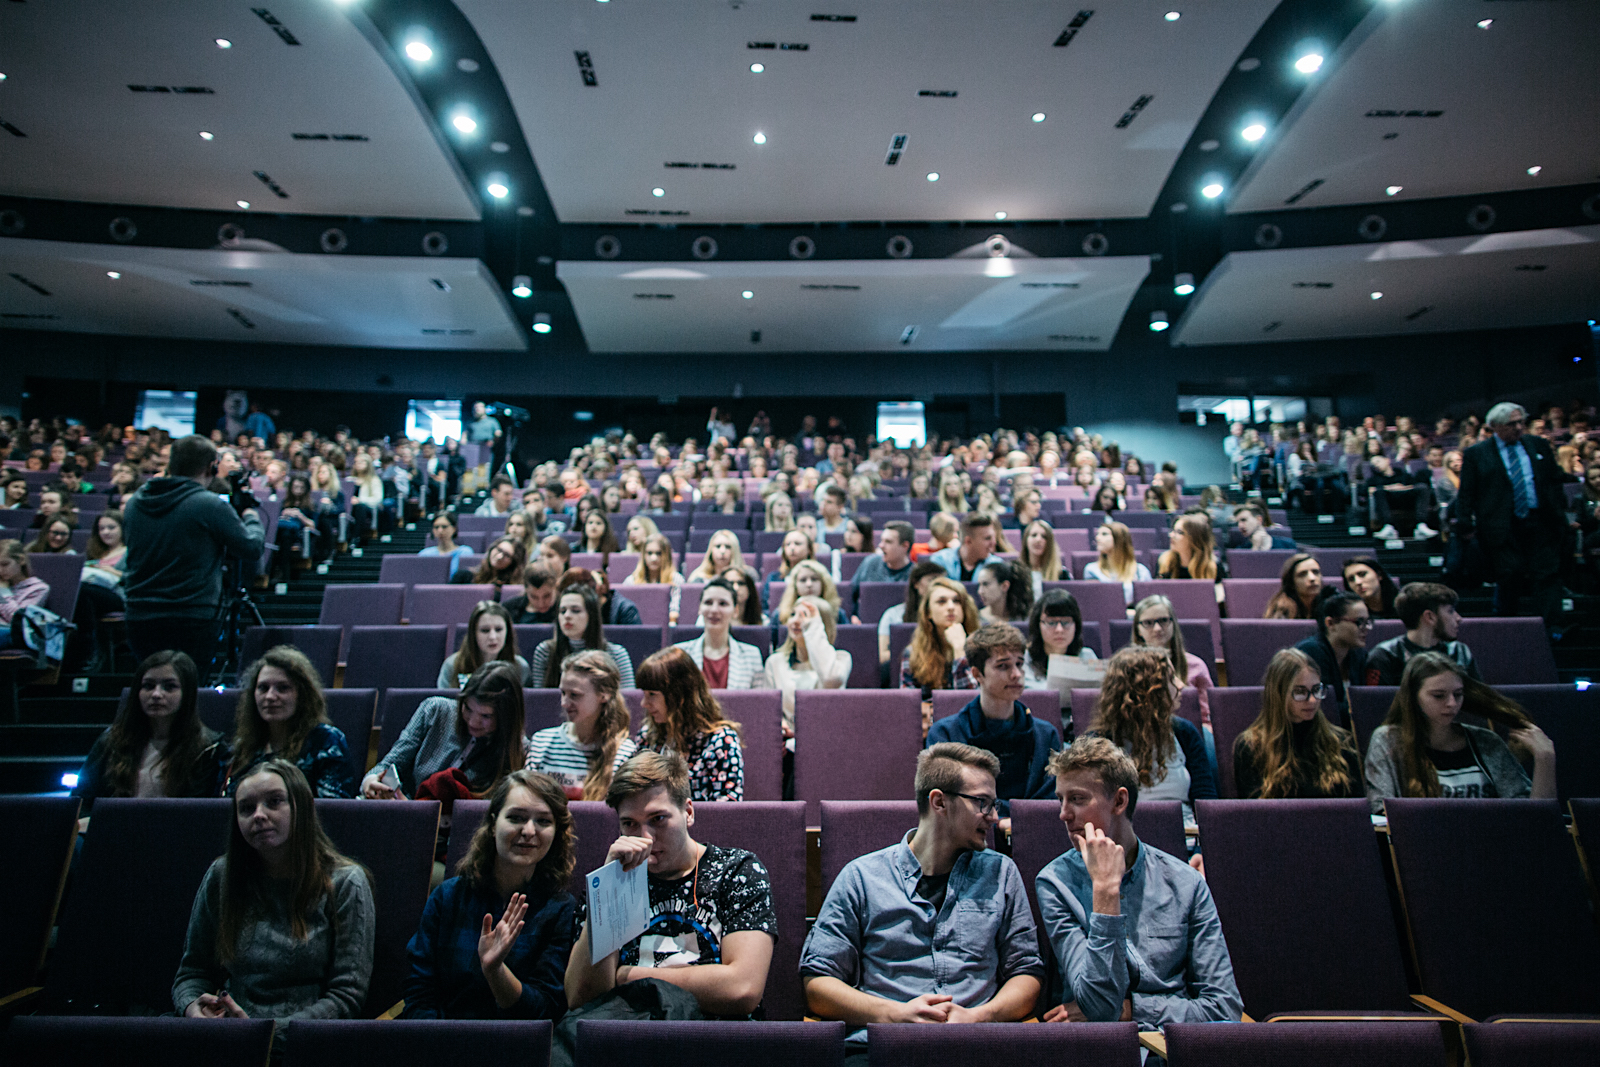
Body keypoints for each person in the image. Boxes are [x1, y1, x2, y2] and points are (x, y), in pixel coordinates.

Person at [801, 743, 1044, 1057]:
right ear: (939, 802)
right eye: (982, 803)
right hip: (884, 1048)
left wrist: (978, 1017)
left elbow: (1026, 972)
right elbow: (818, 982)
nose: (994, 817)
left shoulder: (1001, 873)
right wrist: (894, 1015)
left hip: (977, 1047)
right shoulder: (862, 877)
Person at [1035, 737, 1240, 1029]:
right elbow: (1100, 1005)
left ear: (1119, 801)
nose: (1063, 814)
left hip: (1175, 1047)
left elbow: (1224, 1007)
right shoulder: (1056, 883)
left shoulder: (1186, 884)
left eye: (1077, 799)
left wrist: (1134, 1010)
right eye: (1060, 799)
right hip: (1102, 1053)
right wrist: (1105, 891)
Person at [563, 752, 775, 1016]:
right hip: (627, 1040)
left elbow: (742, 989)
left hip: (715, 1039)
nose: (645, 838)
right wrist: (610, 889)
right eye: (629, 824)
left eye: (658, 819)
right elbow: (579, 998)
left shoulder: (736, 871)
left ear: (688, 812)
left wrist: (625, 977)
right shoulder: (610, 880)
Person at [174, 760, 375, 1024]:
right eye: (246, 808)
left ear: (301, 808)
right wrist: (193, 1008)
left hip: (304, 1043)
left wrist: (261, 1035)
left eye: (274, 802)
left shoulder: (346, 882)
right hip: (225, 1032)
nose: (258, 815)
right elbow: (192, 973)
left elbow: (346, 997)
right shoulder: (222, 875)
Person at [401, 769, 576, 1019]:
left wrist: (495, 971)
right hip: (440, 1042)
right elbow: (419, 994)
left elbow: (544, 1011)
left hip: (515, 1049)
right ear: (493, 825)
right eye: (516, 817)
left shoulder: (560, 909)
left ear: (556, 833)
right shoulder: (447, 897)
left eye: (543, 821)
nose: (529, 831)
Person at [120, 434, 264, 671]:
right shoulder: (208, 504)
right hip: (191, 615)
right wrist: (251, 516)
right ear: (212, 467)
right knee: (188, 691)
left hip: (139, 615)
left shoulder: (136, 502)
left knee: (152, 690)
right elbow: (251, 548)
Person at [1365, 652, 1556, 812]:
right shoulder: (1388, 740)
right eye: (1439, 696)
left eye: (1458, 694)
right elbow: (1381, 814)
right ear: (1413, 698)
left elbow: (1533, 820)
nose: (1452, 704)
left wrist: (1545, 758)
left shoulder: (1485, 740)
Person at [927, 627, 1063, 818]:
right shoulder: (945, 734)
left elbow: (1052, 801)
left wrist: (1011, 819)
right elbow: (953, 802)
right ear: (977, 674)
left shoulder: (1046, 734)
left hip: (1034, 833)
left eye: (1019, 664)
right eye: (1003, 666)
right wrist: (1012, 816)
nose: (1016, 674)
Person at [72, 650, 225, 815]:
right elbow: (81, 801)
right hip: (111, 832)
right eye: (148, 686)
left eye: (169, 687)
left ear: (187, 694)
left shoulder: (208, 748)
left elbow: (198, 814)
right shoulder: (111, 740)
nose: (156, 694)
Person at [1454, 402, 1567, 621]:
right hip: (1502, 527)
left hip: (1540, 521)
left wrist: (1560, 512)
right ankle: (1507, 624)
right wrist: (1465, 524)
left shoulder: (1538, 445)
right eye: (1511, 424)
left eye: (1520, 422)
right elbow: (1467, 493)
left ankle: (1554, 628)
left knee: (1547, 574)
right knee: (1510, 574)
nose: (1518, 428)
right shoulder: (1477, 454)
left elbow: (1553, 481)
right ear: (1495, 426)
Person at [1086, 646, 1216, 824]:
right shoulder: (1100, 743)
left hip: (1188, 839)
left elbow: (1206, 803)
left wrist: (1201, 850)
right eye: (1171, 678)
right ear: (1146, 690)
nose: (1181, 685)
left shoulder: (1184, 732)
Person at [364, 662, 527, 800]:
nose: (473, 721)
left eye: (486, 716)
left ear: (506, 717)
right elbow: (391, 762)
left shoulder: (519, 749)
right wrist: (371, 779)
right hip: (401, 809)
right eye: (468, 708)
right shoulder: (435, 710)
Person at [224, 646, 356, 798]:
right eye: (263, 688)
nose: (270, 696)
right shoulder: (243, 748)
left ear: (303, 695)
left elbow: (332, 810)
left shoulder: (325, 742)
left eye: (283, 688)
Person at [1231, 649, 1361, 799]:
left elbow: (1357, 806)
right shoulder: (1251, 747)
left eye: (1316, 690)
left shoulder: (1339, 742)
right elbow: (1255, 815)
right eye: (1300, 692)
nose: (1312, 700)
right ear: (1278, 694)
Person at [633, 648, 746, 801]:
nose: (644, 703)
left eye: (652, 694)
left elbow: (727, 814)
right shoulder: (648, 737)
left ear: (678, 695)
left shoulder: (720, 743)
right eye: (644, 694)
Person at [526, 650, 637, 800]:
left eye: (575, 695)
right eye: (563, 693)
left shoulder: (623, 753)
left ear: (603, 695)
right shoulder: (542, 742)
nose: (564, 703)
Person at [763, 594, 852, 740]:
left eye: (805, 615)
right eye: (793, 614)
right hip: (785, 741)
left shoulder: (841, 658)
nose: (796, 621)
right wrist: (779, 728)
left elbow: (830, 678)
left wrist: (812, 628)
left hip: (824, 740)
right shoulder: (775, 662)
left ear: (821, 625)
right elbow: (768, 708)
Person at [1365, 582, 1480, 685]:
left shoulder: (1459, 651)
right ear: (1429, 617)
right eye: (1450, 611)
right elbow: (1377, 703)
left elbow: (1481, 700)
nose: (1458, 618)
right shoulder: (1384, 656)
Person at [531, 583, 635, 688]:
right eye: (562, 611)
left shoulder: (616, 654)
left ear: (591, 615)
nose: (567, 616)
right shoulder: (545, 652)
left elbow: (628, 700)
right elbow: (541, 700)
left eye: (575, 610)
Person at [1129, 594, 1211, 724]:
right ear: (1138, 630)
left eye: (1163, 620)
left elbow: (1207, 716)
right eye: (1148, 623)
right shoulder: (1128, 668)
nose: (1157, 628)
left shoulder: (1196, 665)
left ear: (1173, 623)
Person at [1293, 591, 1370, 723]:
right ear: (1331, 623)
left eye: (1368, 622)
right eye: (1359, 622)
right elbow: (1325, 706)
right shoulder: (1311, 653)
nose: (1366, 628)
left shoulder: (1359, 654)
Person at [673, 578, 763, 689]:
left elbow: (758, 703)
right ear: (699, 608)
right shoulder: (679, 654)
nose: (714, 610)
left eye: (723, 603)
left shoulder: (752, 655)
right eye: (708, 603)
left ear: (735, 611)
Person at [900, 576, 979, 691]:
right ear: (928, 613)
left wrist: (960, 651)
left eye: (957, 601)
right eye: (941, 601)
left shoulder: (983, 650)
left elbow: (971, 700)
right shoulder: (913, 653)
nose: (951, 607)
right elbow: (908, 703)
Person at [438, 601, 532, 688]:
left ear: (508, 632)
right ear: (473, 634)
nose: (492, 637)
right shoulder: (452, 666)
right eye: (485, 630)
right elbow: (443, 703)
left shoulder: (520, 667)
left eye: (498, 629)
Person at [1022, 589, 1098, 691]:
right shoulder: (1024, 660)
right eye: (1051, 623)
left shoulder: (1087, 657)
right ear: (1038, 625)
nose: (1059, 630)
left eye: (1066, 622)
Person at [0, 539, 49, 651]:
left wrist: (3, 592)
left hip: (12, 633)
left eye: (5, 564)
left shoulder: (37, 588)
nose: (0, 570)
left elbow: (17, 620)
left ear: (21, 560)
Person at [929, 513, 1004, 582]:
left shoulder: (995, 565)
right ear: (968, 541)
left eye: (994, 538)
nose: (993, 543)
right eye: (987, 538)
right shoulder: (940, 561)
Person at [453, 536, 526, 593]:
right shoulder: (463, 577)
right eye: (499, 550)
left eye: (507, 555)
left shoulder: (509, 590)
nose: (499, 557)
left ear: (513, 563)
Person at [1156, 513, 1218, 581]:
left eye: (1179, 532)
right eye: (1173, 530)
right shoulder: (1164, 562)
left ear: (1195, 539)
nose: (1171, 535)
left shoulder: (1213, 567)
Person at [1263, 552, 1323, 619]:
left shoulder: (1329, 604)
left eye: (1316, 572)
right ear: (1292, 582)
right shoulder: (1282, 609)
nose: (1312, 578)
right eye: (1302, 574)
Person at [420, 511, 474, 579]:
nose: (440, 531)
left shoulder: (465, 552)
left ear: (454, 529)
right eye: (436, 527)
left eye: (444, 527)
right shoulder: (425, 554)